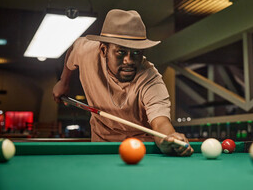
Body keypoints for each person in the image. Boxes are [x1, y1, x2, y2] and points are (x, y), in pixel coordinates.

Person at [53, 9, 193, 156]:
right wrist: (64, 81)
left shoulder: (151, 80)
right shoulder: (87, 52)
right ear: (103, 50)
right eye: (121, 52)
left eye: (136, 52)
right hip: (101, 145)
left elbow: (160, 123)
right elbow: (75, 47)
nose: (129, 60)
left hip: (140, 149)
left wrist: (169, 137)